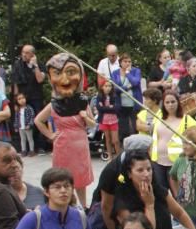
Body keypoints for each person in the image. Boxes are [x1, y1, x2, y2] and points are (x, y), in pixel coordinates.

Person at [35, 53, 95, 207]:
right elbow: (38, 120)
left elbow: (92, 125)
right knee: (62, 178)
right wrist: (50, 135)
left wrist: (85, 117)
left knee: (81, 179)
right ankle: (66, 205)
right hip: (63, 145)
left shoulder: (82, 102)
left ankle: (83, 205)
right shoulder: (54, 104)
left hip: (80, 144)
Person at [150, 90, 196, 182]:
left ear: (178, 103)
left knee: (178, 192)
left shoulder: (187, 120)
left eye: (173, 102)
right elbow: (153, 136)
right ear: (163, 104)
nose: (170, 105)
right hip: (157, 160)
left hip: (177, 162)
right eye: (167, 102)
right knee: (161, 192)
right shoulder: (158, 116)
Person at [10, 45, 46, 153]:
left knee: (38, 119)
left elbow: (40, 80)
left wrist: (35, 66)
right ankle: (26, 148)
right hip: (22, 97)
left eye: (26, 53)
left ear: (32, 54)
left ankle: (40, 145)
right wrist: (15, 100)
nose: (24, 55)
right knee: (23, 121)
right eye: (23, 52)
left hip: (36, 96)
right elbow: (15, 83)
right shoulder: (18, 65)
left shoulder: (39, 65)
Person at [110, 53, 143, 142]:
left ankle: (136, 147)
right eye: (125, 61)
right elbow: (116, 89)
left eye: (129, 61)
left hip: (134, 104)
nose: (128, 63)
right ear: (120, 62)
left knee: (135, 128)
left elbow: (135, 83)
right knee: (123, 130)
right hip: (121, 105)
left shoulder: (136, 71)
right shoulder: (115, 73)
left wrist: (128, 73)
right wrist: (127, 87)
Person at [97, 80, 121, 161]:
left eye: (109, 86)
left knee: (116, 140)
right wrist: (109, 107)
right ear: (102, 87)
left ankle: (119, 157)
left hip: (114, 120)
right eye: (106, 86)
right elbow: (99, 108)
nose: (108, 88)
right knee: (108, 139)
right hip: (104, 120)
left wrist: (106, 108)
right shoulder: (99, 96)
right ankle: (110, 157)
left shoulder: (115, 96)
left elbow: (117, 108)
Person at [13, 92, 36, 157]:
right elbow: (16, 118)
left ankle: (31, 151)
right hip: (21, 127)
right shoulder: (18, 109)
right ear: (17, 101)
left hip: (27, 127)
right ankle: (23, 150)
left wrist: (29, 124)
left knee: (30, 139)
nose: (22, 100)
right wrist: (16, 126)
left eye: (23, 98)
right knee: (22, 139)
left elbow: (32, 116)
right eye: (19, 99)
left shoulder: (29, 108)